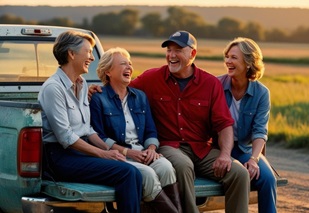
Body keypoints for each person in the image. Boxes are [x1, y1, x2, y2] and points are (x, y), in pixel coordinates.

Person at [89, 31, 251, 213]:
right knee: (182, 166)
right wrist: (95, 89)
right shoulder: (151, 78)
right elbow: (119, 89)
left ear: (193, 54)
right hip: (170, 147)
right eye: (169, 50)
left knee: (239, 174)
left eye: (178, 50)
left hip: (202, 149)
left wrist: (224, 154)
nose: (171, 55)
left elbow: (224, 125)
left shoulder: (210, 83)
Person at [38, 31, 142, 213]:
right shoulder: (53, 88)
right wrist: (102, 155)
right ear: (71, 54)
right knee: (127, 172)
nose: (92, 58)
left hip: (79, 151)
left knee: (133, 171)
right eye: (88, 52)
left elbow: (87, 129)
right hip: (59, 157)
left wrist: (109, 150)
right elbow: (66, 137)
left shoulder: (82, 84)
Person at [89, 47, 182, 213]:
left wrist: (152, 149)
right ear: (108, 71)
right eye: (123, 64)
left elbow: (151, 131)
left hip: (143, 152)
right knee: (148, 175)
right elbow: (99, 137)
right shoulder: (98, 98)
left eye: (130, 64)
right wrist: (128, 153)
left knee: (166, 168)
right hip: (117, 156)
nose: (129, 67)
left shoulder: (140, 96)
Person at [219, 37, 277, 213]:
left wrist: (254, 159)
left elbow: (260, 131)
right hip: (217, 148)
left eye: (234, 58)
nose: (228, 61)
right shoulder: (216, 85)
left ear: (249, 62)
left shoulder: (261, 93)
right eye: (227, 57)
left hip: (243, 149)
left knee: (267, 179)